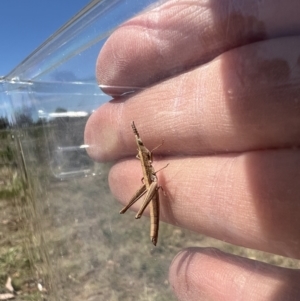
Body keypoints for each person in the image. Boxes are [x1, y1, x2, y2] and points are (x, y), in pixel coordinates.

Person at [85, 0, 300, 300]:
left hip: (153, 185)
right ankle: (140, 212)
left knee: (152, 183)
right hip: (153, 186)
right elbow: (147, 159)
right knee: (152, 183)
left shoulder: (145, 152)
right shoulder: (144, 153)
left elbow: (145, 154)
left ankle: (144, 211)